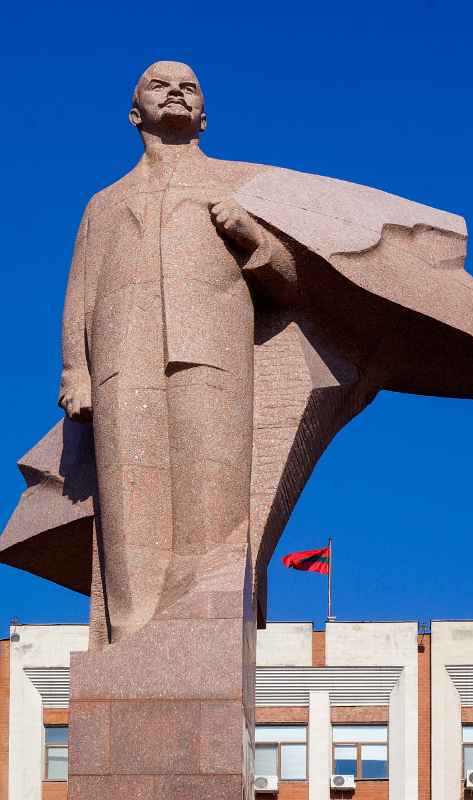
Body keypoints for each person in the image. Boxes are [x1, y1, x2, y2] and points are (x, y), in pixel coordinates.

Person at [58, 61, 297, 642]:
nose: (177, 92)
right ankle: (133, 635)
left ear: (204, 116)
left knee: (213, 500)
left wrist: (252, 236)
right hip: (122, 358)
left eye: (189, 86)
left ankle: (204, 628)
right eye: (160, 85)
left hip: (212, 354)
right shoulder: (104, 203)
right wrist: (75, 368)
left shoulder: (240, 185)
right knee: (127, 502)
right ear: (135, 112)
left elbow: (289, 281)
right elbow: (80, 291)